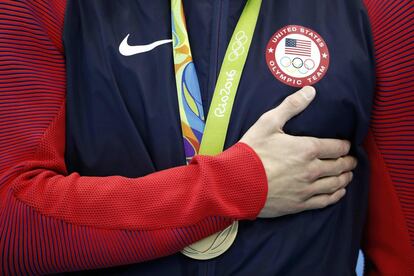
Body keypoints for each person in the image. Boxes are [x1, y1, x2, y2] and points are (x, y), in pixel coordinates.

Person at [0, 0, 410, 275]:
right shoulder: (43, 7)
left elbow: (403, 248)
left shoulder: (381, 10)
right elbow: (12, 228)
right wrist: (236, 186)